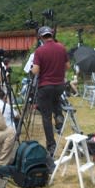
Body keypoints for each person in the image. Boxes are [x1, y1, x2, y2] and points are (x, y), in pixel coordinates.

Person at [31, 26, 70, 157]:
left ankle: (51, 145)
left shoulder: (39, 51)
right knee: (56, 100)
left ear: (41, 37)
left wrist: (32, 69)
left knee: (46, 117)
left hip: (45, 86)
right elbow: (68, 66)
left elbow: (36, 70)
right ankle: (59, 115)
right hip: (60, 85)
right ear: (51, 35)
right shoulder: (62, 47)